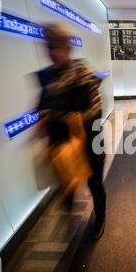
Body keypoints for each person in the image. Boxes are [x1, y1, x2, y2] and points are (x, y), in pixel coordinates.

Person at [36, 23, 106, 240]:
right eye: (49, 47)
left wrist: (61, 117)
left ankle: (100, 218)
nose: (53, 52)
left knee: (94, 184)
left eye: (57, 46)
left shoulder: (83, 72)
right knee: (66, 187)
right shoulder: (47, 76)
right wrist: (42, 117)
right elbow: (41, 105)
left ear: (67, 48)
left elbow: (96, 111)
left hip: (90, 143)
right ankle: (69, 222)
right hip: (61, 147)